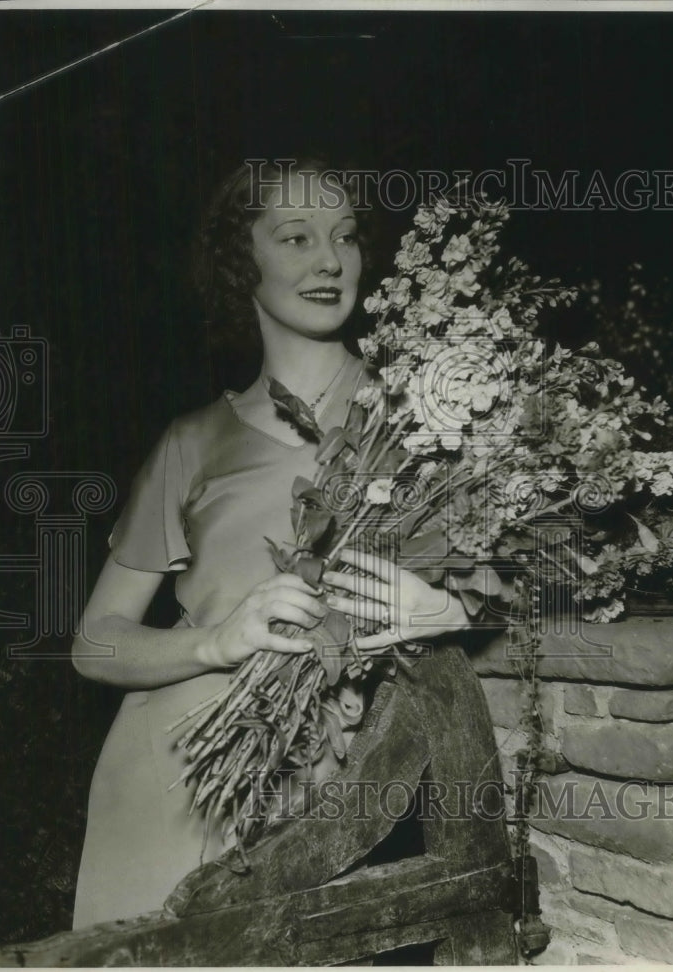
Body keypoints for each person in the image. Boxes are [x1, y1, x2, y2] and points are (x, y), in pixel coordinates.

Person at [70, 158, 470, 929]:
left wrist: (449, 609)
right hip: (171, 779)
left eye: (345, 236)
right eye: (295, 237)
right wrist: (219, 641)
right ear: (239, 264)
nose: (329, 260)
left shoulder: (427, 416)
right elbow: (94, 643)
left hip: (343, 794)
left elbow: (549, 588)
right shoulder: (191, 440)